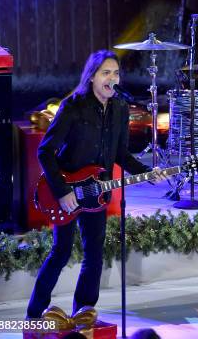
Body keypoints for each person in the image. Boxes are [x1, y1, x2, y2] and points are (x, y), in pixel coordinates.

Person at [26, 50, 167, 318]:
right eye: (106, 73)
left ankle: (83, 315)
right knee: (61, 252)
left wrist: (147, 172)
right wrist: (62, 191)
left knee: (94, 256)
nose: (112, 78)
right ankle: (33, 316)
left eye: (115, 73)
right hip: (66, 191)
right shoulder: (73, 106)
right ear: (91, 77)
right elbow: (45, 151)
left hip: (97, 191)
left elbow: (120, 154)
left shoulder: (120, 108)